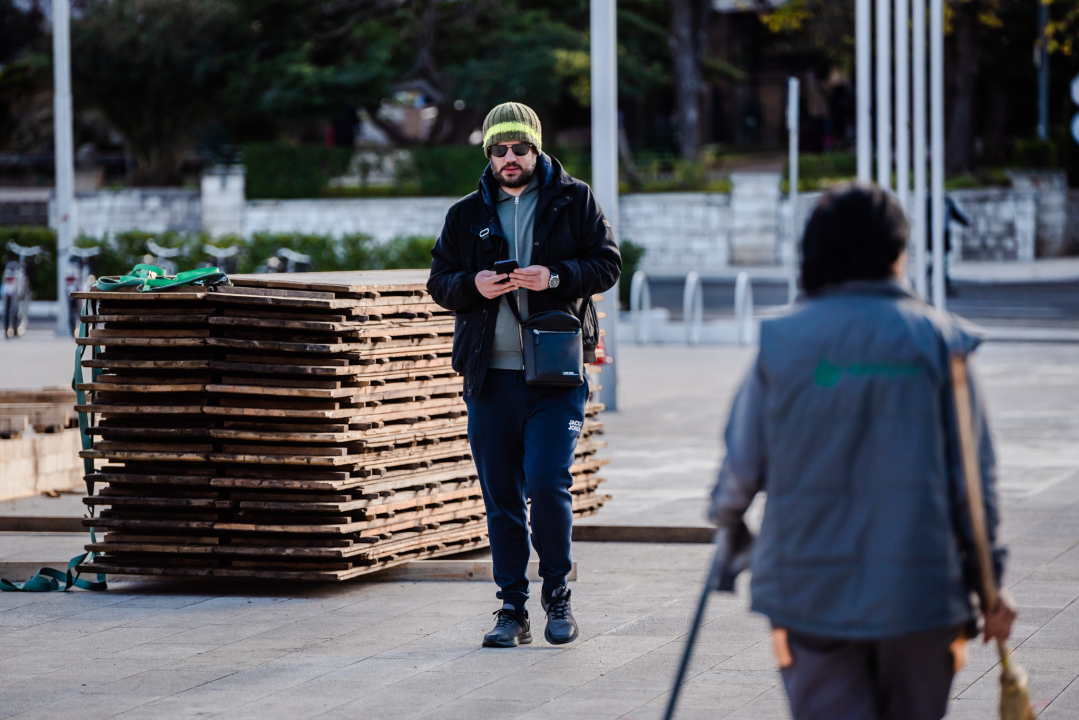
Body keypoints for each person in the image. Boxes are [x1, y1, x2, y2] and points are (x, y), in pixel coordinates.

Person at [709, 185, 1016, 720]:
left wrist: (728, 522)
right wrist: (990, 581)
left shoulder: (783, 342)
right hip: (921, 592)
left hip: (809, 589)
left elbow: (741, 467)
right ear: (897, 252)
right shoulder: (942, 342)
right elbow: (975, 484)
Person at [427, 102, 621, 648]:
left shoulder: (573, 199)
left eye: (520, 149)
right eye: (499, 150)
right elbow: (440, 281)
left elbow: (607, 264)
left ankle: (557, 595)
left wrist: (555, 275)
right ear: (487, 153)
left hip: (554, 376)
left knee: (547, 483)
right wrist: (474, 287)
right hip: (489, 377)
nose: (509, 159)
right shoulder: (466, 213)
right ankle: (511, 610)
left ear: (536, 149)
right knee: (501, 496)